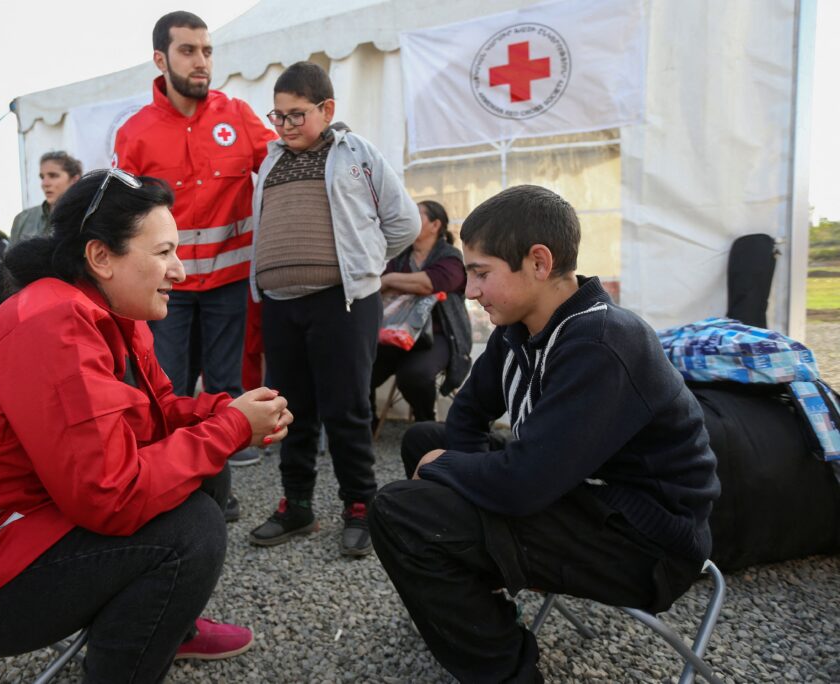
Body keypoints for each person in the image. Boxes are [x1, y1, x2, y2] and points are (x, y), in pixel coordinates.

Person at [0, 170, 292, 681]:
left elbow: (159, 413)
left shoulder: (107, 312)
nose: (181, 271)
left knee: (202, 468)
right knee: (191, 530)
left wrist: (226, 412)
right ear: (101, 257)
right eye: (164, 252)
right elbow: (110, 496)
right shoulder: (52, 324)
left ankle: (169, 627)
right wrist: (231, 429)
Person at [368, 185, 721, 683]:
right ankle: (471, 590)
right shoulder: (519, 330)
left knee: (399, 510)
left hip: (644, 542)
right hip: (579, 494)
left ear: (538, 261)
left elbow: (524, 482)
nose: (470, 291)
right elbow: (468, 414)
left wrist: (449, 473)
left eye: (481, 273)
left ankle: (510, 673)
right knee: (423, 440)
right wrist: (461, 484)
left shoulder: (603, 341)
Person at [247, 61, 420, 556]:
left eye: (296, 115)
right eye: (277, 116)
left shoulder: (357, 154)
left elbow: (403, 223)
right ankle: (297, 505)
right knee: (288, 410)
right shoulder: (270, 161)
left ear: (327, 109)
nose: (285, 126)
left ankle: (360, 506)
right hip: (281, 306)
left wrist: (363, 264)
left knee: (347, 409)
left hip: (343, 302)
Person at [114, 11, 277, 469]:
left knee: (226, 379)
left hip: (229, 281)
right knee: (169, 385)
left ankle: (223, 460)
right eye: (188, 51)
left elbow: (281, 169)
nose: (201, 61)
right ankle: (172, 468)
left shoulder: (239, 115)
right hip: (165, 288)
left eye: (207, 50)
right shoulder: (135, 133)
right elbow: (120, 214)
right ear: (160, 60)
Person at [371, 200, 471, 429]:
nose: (409, 219)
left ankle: (426, 424)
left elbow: (431, 283)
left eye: (417, 215)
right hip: (395, 332)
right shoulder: (400, 258)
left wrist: (389, 281)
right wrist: (395, 282)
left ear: (435, 225)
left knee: (414, 376)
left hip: (437, 336)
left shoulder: (450, 257)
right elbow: (377, 287)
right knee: (360, 368)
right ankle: (367, 423)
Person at [10, 151, 82, 242]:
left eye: (53, 176)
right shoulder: (23, 219)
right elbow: (10, 256)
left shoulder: (87, 218)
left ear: (74, 180)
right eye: (42, 177)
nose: (44, 183)